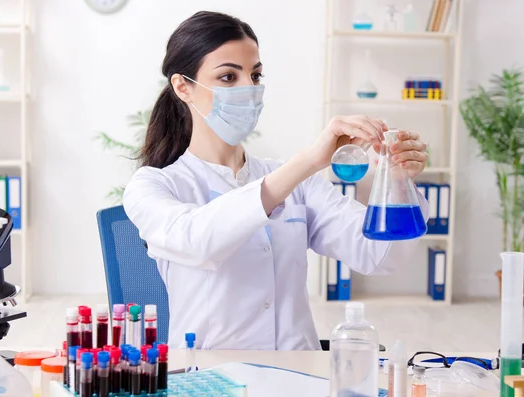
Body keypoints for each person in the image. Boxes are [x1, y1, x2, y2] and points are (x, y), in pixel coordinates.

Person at [123, 11, 429, 350]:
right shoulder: (153, 185)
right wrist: (309, 161)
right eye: (228, 77)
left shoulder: (297, 182)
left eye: (255, 75)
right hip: (211, 374)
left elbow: (381, 255)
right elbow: (198, 242)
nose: (249, 90)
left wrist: (397, 182)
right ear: (183, 87)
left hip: (299, 370)